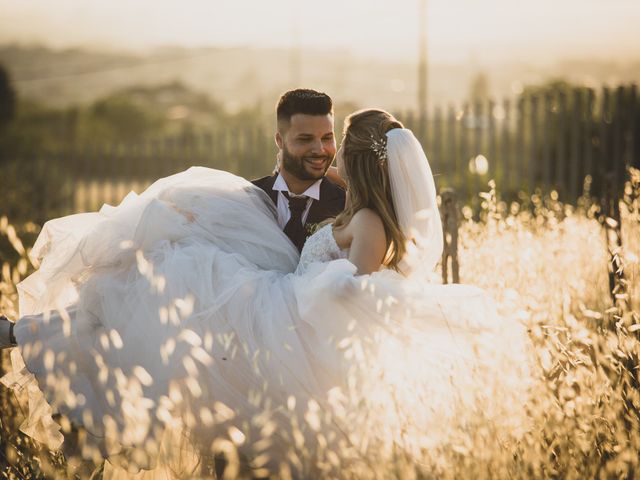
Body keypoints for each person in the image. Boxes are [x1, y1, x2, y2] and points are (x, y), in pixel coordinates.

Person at [0, 108, 530, 477]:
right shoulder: (315, 203)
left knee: (174, 291)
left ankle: (30, 336)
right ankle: (35, 337)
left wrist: (300, 291)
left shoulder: (363, 216)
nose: (327, 152)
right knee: (157, 289)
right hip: (275, 318)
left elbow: (355, 292)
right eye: (312, 141)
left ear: (359, 158)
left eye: (335, 144)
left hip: (287, 326)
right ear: (281, 141)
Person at [252, 89, 345, 252]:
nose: (320, 149)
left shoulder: (347, 206)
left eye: (327, 138)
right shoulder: (248, 199)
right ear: (280, 141)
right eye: (305, 139)